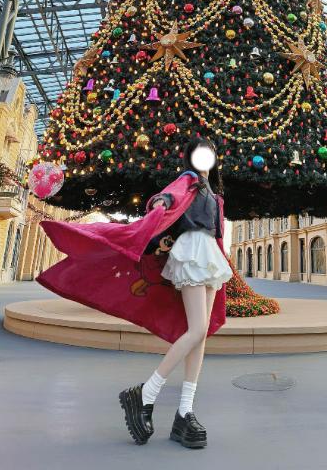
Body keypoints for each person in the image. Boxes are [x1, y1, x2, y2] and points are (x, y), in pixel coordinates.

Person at [118, 136, 233, 449]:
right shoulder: (190, 179)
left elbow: (216, 230)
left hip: (209, 254)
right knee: (196, 329)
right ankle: (146, 392)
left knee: (201, 333)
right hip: (192, 250)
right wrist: (162, 202)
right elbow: (172, 194)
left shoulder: (214, 193)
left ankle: (185, 411)